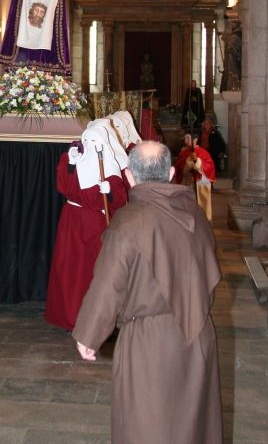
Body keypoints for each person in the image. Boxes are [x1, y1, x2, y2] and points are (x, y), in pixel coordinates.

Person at [73, 141, 223, 444]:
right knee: (193, 427)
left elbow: (108, 284)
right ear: (170, 173)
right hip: (199, 334)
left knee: (147, 425)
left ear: (129, 176)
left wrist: (88, 336)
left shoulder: (128, 222)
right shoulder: (196, 214)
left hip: (149, 343)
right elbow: (209, 275)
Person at [45, 125, 128, 332]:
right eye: (86, 141)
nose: (89, 146)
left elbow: (119, 199)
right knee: (69, 269)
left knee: (92, 271)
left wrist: (109, 193)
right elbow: (63, 186)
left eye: (94, 142)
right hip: (71, 224)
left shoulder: (110, 169)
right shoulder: (71, 160)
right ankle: (69, 316)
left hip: (94, 226)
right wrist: (71, 165)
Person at [174, 133, 216, 221]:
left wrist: (197, 161)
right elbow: (179, 167)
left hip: (199, 183)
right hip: (187, 184)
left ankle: (203, 222)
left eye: (188, 139)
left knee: (200, 209)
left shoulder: (203, 152)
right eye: (185, 139)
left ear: (195, 140)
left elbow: (209, 166)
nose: (186, 141)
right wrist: (187, 164)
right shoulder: (184, 153)